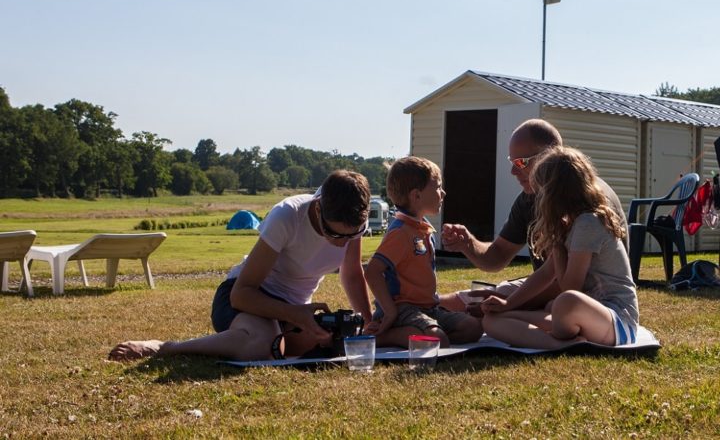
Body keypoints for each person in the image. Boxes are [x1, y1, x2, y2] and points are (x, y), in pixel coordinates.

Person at [108, 170, 374, 362]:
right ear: (318, 209)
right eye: (336, 235)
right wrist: (295, 314)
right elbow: (242, 293)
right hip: (243, 298)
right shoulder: (288, 215)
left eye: (353, 235)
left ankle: (255, 337)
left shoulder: (350, 223)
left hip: (291, 312)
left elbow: (351, 275)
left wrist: (369, 325)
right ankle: (166, 348)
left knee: (336, 341)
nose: (343, 244)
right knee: (262, 344)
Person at [438, 119, 623, 312]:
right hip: (555, 292)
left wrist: (508, 303)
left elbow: (574, 286)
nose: (512, 171)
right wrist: (468, 243)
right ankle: (421, 304)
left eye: (520, 162)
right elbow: (498, 256)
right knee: (466, 302)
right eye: (511, 162)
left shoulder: (587, 199)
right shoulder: (529, 198)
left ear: (549, 157)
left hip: (591, 302)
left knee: (487, 311)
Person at [480, 147, 639, 349]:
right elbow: (546, 273)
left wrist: (557, 246)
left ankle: (561, 335)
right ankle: (557, 344)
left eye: (540, 192)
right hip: (582, 318)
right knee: (492, 320)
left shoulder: (588, 223)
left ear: (553, 193)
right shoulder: (570, 224)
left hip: (617, 321)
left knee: (565, 302)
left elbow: (570, 287)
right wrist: (508, 304)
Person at [365, 156, 481, 347]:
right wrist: (390, 311)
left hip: (429, 308)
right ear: (416, 196)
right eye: (437, 187)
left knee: (473, 327)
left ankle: (425, 336)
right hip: (403, 309)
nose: (443, 193)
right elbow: (372, 271)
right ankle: (382, 337)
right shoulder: (401, 232)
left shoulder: (422, 228)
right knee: (438, 339)